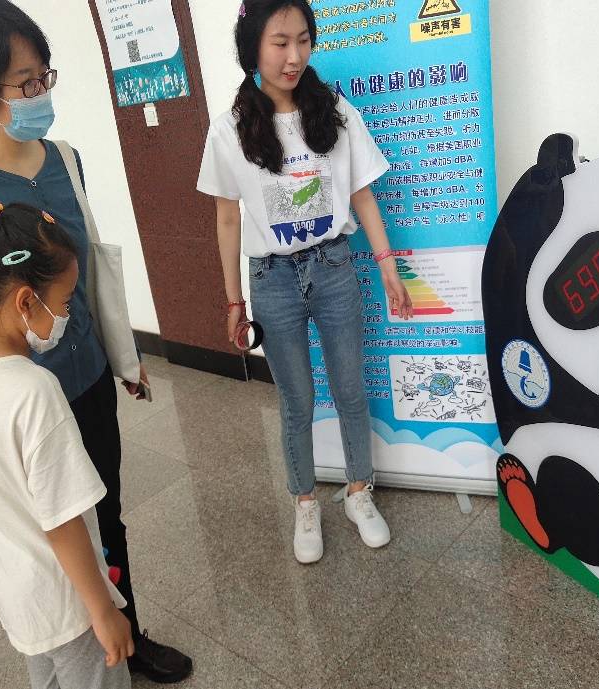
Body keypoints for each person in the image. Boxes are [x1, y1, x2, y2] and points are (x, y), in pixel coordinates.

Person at [0, 1, 191, 681]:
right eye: (25, 82)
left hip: (84, 379)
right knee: (48, 536)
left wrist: (122, 358)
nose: (41, 93)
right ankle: (79, 643)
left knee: (106, 515)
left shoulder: (65, 159)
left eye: (45, 75)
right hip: (17, 407)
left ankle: (126, 633)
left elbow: (83, 272)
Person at [196, 0, 414, 565]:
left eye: (303, 40)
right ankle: (305, 502)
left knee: (350, 388)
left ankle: (359, 493)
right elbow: (226, 219)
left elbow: (362, 194)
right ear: (252, 48)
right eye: (280, 42)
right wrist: (233, 301)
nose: (294, 56)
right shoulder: (229, 129)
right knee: (297, 399)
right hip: (271, 278)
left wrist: (387, 266)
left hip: (335, 267)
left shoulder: (334, 111)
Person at [0, 196, 133, 688]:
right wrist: (102, 610)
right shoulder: (33, 390)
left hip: (16, 594)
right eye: (64, 302)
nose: (66, 313)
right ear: (26, 301)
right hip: (68, 601)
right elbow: (61, 519)